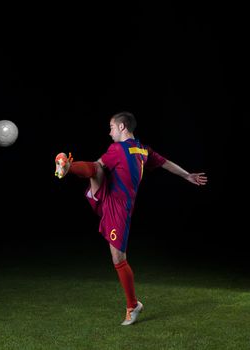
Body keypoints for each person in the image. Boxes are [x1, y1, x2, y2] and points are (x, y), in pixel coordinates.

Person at [54, 111, 207, 325]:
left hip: (119, 208)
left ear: (123, 127)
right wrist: (186, 175)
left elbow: (162, 162)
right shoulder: (142, 149)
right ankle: (68, 167)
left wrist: (186, 175)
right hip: (110, 198)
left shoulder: (121, 149)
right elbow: (166, 163)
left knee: (118, 258)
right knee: (97, 169)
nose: (110, 132)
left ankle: (133, 305)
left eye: (112, 127)